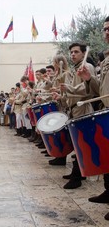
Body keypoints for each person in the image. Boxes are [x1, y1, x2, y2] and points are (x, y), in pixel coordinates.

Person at [77, 16, 109, 220]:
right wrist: (90, 79)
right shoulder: (106, 59)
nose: (106, 32)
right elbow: (101, 90)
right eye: (105, 29)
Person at [57, 42, 96, 189]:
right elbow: (71, 92)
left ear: (83, 53)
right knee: (77, 143)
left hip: (83, 108)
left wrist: (70, 89)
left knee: (82, 143)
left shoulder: (88, 67)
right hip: (74, 109)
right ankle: (79, 172)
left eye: (76, 52)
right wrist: (63, 96)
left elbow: (88, 89)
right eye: (71, 52)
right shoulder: (75, 69)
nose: (73, 54)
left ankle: (77, 176)